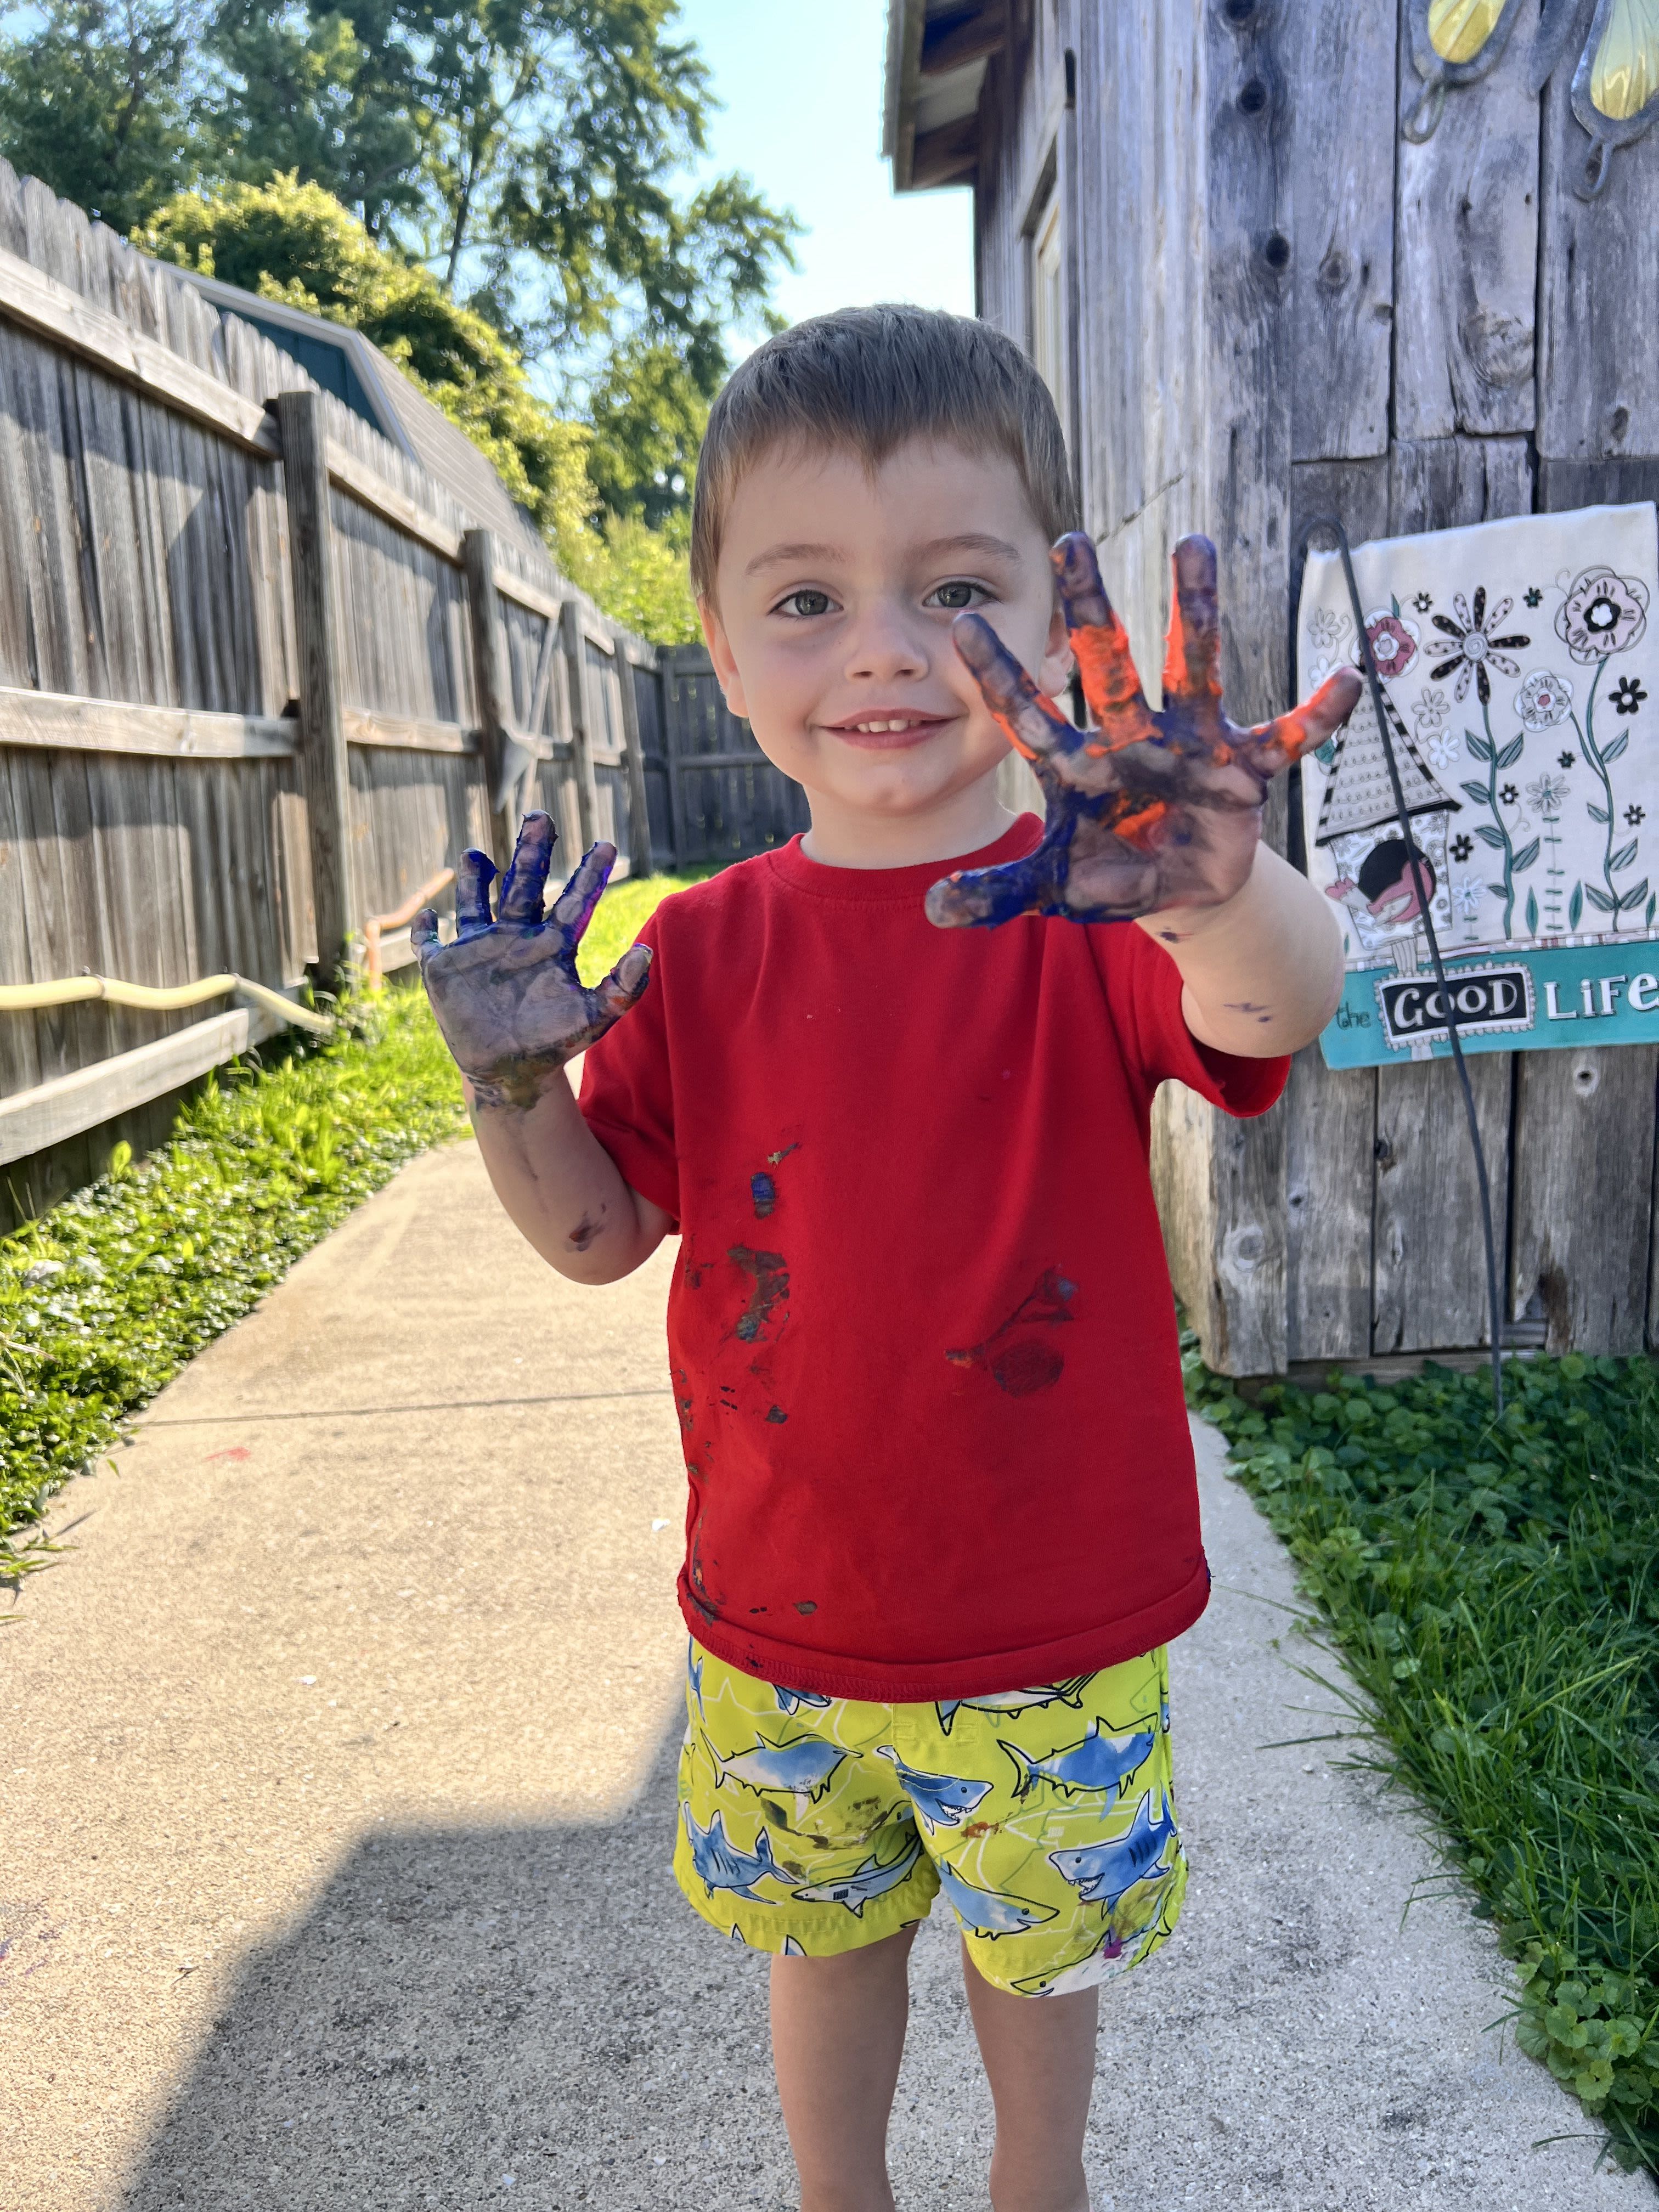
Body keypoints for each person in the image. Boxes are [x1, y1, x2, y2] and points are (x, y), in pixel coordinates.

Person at [414, 306, 1358, 2212]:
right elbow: (597, 1234)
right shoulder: (705, 949)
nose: (887, 652)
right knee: (821, 1944)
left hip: (1050, 1630)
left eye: (956, 589)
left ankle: (1041, 2183)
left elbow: (1273, 1017)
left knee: (1040, 1962)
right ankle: (835, 2194)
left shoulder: (1100, 908)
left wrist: (1223, 886)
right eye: (808, 599)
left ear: (1044, 601)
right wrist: (516, 1083)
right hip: (783, 1615)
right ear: (721, 645)